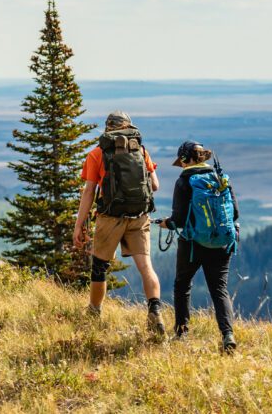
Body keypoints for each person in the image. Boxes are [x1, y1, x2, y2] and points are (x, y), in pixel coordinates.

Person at [73, 111, 165, 334]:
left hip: (110, 218)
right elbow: (155, 186)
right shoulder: (140, 150)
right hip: (139, 216)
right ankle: (155, 310)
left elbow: (88, 193)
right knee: (146, 267)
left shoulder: (97, 153)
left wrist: (79, 225)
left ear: (108, 128)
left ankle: (94, 312)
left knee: (100, 267)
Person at [160, 141, 239, 351]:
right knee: (219, 289)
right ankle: (227, 334)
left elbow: (178, 219)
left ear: (186, 159)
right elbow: (236, 214)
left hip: (193, 245)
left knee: (182, 285)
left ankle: (182, 332)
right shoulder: (220, 178)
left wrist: (166, 223)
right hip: (222, 243)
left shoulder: (184, 182)